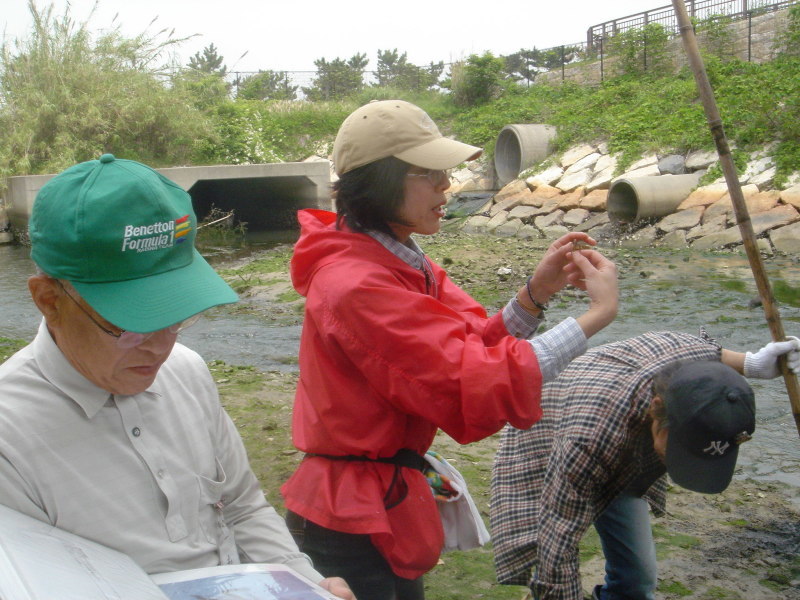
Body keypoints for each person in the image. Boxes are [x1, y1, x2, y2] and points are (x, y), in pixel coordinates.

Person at [279, 99, 619, 600]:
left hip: (377, 500)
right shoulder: (356, 282)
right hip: (347, 517)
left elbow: (469, 342)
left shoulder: (396, 256)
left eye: (447, 171)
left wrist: (537, 293)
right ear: (380, 181)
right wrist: (595, 317)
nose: (447, 186)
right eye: (431, 173)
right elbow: (472, 377)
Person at [0, 154, 354, 600]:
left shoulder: (185, 371)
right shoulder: (8, 439)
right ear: (49, 299)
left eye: (177, 314)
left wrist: (302, 582)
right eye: (130, 323)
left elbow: (242, 506)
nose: (160, 346)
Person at [490, 329, 800, 600]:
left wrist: (754, 364)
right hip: (547, 432)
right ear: (657, 409)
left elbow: (711, 355)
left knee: (637, 578)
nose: (683, 463)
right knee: (549, 561)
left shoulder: (689, 358)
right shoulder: (588, 442)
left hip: (618, 425)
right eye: (681, 451)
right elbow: (556, 549)